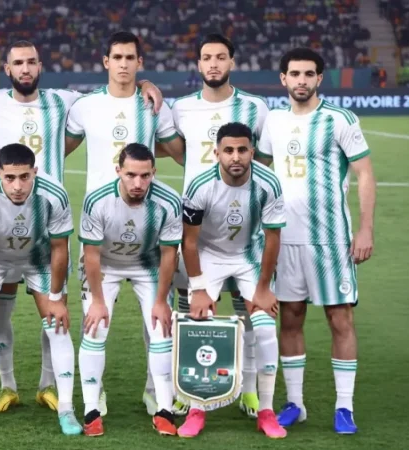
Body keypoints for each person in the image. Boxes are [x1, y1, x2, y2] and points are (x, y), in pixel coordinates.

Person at [0, 39, 166, 416]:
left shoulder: (65, 101)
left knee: (53, 309)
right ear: (7, 69)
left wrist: (145, 83)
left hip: (47, 224)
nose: (25, 69)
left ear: (40, 66)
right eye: (18, 63)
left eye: (32, 62)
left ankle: (47, 385)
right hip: (1, 223)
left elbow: (114, 93)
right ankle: (7, 386)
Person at [65, 30, 184, 416]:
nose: (123, 64)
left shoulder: (153, 105)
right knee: (95, 321)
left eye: (130, 58)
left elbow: (181, 153)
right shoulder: (84, 106)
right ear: (106, 62)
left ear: (139, 62)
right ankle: (94, 395)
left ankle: (155, 392)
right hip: (99, 229)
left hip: (148, 231)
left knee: (158, 322)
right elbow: (55, 147)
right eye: (116, 57)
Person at [258, 47, 376, 434]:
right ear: (283, 79)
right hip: (283, 239)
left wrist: (365, 229)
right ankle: (295, 403)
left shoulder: (339, 119)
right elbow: (260, 172)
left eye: (309, 74)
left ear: (319, 78)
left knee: (339, 319)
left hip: (330, 240)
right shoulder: (274, 121)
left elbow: (364, 173)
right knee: (290, 318)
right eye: (295, 74)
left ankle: (345, 407)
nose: (302, 80)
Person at [170, 33, 270, 418]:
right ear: (198, 64)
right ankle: (187, 387)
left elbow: (263, 159)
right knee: (189, 308)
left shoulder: (255, 107)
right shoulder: (181, 108)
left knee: (249, 311)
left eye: (221, 57)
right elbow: (172, 148)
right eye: (207, 57)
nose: (213, 63)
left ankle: (250, 392)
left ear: (232, 62)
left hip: (243, 227)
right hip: (196, 225)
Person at [0, 143, 80, 436]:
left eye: (25, 177)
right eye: (10, 178)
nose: (18, 186)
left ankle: (66, 408)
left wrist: (56, 297)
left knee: (57, 324)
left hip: (38, 259)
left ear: (34, 171)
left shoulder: (53, 194)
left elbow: (59, 247)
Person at [179, 122, 286, 439]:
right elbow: (189, 243)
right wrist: (199, 289)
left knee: (264, 329)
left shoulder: (268, 183)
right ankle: (197, 408)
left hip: (248, 256)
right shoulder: (200, 186)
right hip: (208, 256)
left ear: (252, 151)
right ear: (217, 153)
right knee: (199, 324)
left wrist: (263, 289)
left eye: (242, 150)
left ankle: (266, 411)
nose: (235, 157)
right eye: (228, 150)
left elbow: (272, 238)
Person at [78, 144, 182, 436]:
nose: (138, 183)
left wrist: (161, 301)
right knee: (95, 328)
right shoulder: (97, 200)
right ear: (118, 171)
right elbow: (91, 255)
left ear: (154, 173)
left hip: (147, 265)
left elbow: (169, 254)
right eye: (131, 175)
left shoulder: (169, 202)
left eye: (145, 176)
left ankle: (164, 408)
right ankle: (91, 409)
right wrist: (98, 301)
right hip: (105, 266)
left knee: (161, 329)